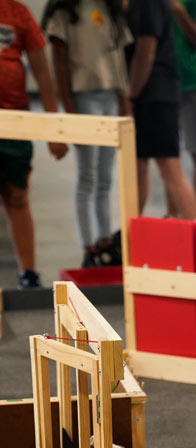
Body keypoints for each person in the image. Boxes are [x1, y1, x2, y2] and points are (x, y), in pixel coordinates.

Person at [42, 0, 131, 268]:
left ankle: (105, 241)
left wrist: (124, 99)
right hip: (84, 97)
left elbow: (119, 60)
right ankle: (88, 245)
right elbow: (59, 63)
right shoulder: (64, 13)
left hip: (110, 96)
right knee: (88, 175)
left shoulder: (110, 9)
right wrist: (68, 109)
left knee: (105, 176)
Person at [0, 0, 68, 289]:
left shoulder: (17, 12)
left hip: (15, 123)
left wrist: (55, 129)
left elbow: (42, 71)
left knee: (17, 196)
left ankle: (28, 273)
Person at [126, 0, 196, 219]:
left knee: (169, 167)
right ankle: (131, 237)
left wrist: (131, 94)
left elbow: (146, 51)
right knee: (138, 166)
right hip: (150, 93)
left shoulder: (148, 4)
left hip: (156, 94)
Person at [169, 0, 196, 220]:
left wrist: (178, 11)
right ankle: (172, 215)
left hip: (190, 83)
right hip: (161, 83)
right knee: (167, 156)